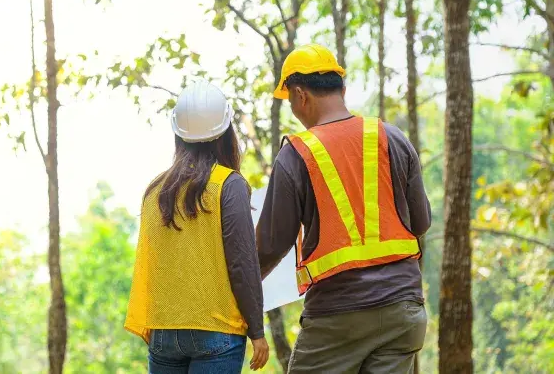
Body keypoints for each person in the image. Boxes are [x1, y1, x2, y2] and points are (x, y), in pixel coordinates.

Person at [257, 44, 431, 374]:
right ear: (342, 89)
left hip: (337, 316)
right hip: (402, 311)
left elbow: (269, 247)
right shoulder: (392, 137)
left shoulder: (297, 155)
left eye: (291, 101)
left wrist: (237, 293)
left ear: (299, 95)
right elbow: (420, 222)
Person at [126, 80, 270, 373]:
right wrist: (257, 330)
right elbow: (242, 264)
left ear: (178, 134)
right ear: (226, 133)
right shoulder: (228, 185)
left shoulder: (155, 191)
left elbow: (151, 265)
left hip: (163, 330)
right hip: (216, 331)